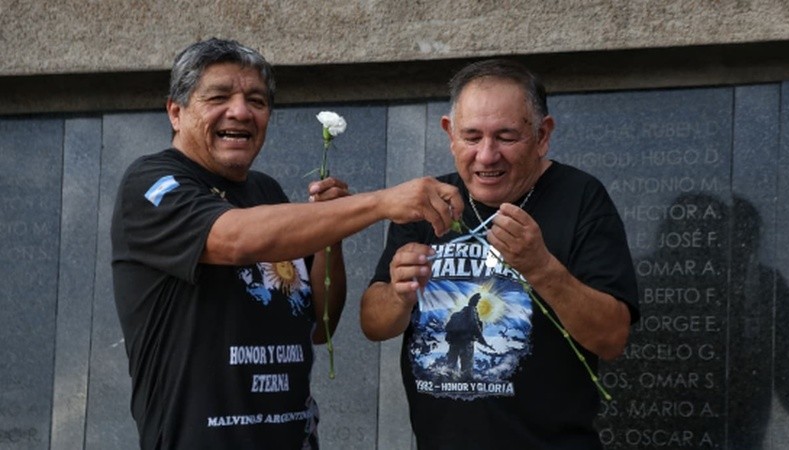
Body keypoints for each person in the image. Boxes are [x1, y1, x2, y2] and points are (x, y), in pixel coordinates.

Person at [111, 37, 463, 450]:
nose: (241, 111)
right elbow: (234, 238)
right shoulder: (153, 183)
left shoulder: (267, 192)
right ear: (176, 111)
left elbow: (320, 324)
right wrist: (381, 202)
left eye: (257, 101)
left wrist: (331, 234)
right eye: (219, 97)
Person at [360, 59, 640, 449]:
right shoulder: (428, 201)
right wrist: (398, 294)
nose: (487, 156)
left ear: (542, 135)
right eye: (472, 137)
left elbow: (611, 338)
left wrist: (541, 268)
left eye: (506, 137)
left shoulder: (581, 198)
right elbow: (374, 325)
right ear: (450, 134)